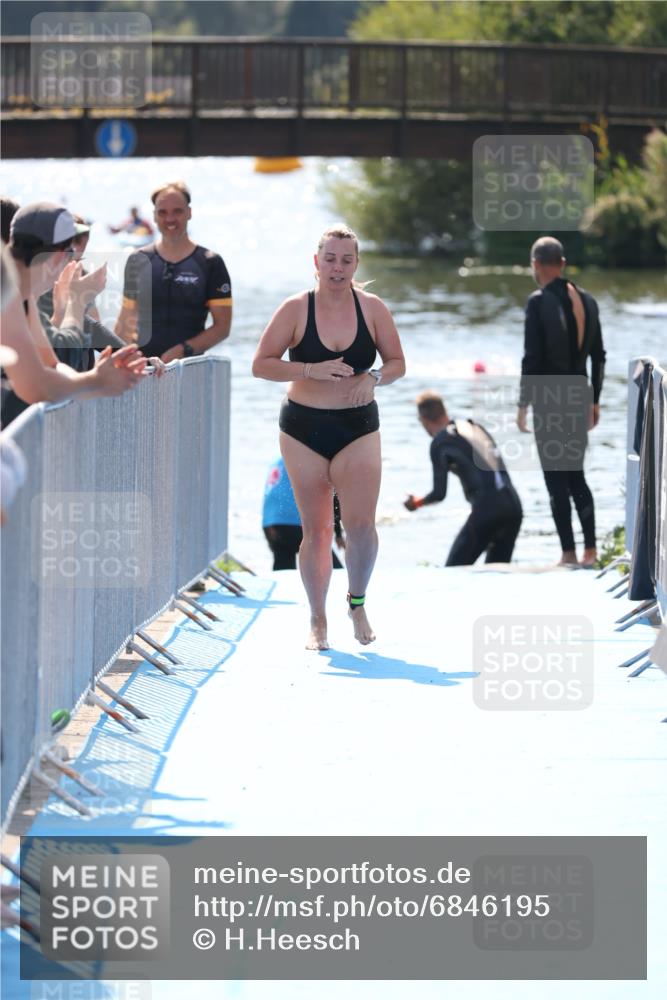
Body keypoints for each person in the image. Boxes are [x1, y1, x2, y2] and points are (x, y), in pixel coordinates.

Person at [252, 223, 406, 649]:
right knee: (317, 530)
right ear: (316, 262)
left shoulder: (372, 308)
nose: (338, 268)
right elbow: (261, 364)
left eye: (347, 260)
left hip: (357, 427)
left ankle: (356, 603)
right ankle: (317, 618)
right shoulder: (296, 309)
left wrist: (374, 377)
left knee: (360, 526)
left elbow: (397, 363)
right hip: (303, 428)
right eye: (331, 259)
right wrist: (307, 369)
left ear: (356, 264)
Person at [517, 236, 606, 568]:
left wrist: (523, 404)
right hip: (579, 395)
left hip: (550, 398)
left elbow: (532, 358)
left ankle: (568, 553)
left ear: (536, 265)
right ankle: (591, 552)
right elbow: (599, 356)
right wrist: (594, 401)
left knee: (556, 478)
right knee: (577, 475)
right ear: (563, 264)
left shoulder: (538, 302)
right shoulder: (589, 301)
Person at [115, 181, 232, 362]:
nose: (170, 219)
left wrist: (182, 350)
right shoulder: (138, 260)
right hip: (143, 371)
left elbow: (222, 327)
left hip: (188, 369)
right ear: (154, 216)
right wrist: (115, 361)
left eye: (177, 211)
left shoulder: (209, 262)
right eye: (162, 212)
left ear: (189, 213)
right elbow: (126, 321)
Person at [405, 391, 523, 565]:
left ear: (423, 418)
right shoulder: (473, 426)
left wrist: (417, 502)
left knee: (453, 571)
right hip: (513, 506)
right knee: (498, 573)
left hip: (488, 510)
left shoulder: (440, 442)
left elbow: (439, 494)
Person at [262, 456, 345, 571]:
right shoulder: (312, 456)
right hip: (295, 522)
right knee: (335, 571)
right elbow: (333, 497)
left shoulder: (279, 460)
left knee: (284, 571)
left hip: (271, 523)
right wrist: (339, 534)